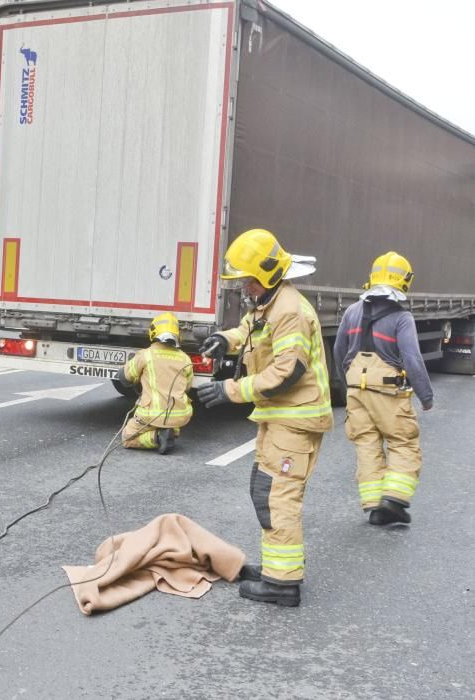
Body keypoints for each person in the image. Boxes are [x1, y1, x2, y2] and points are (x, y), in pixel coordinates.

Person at [197, 229, 332, 607]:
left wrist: (230, 391)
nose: (244, 286)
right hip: (281, 419)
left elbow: (287, 372)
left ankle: (282, 585)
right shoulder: (270, 303)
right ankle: (278, 570)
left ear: (268, 275)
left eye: (248, 279)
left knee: (277, 497)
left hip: (295, 420)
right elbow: (250, 330)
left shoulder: (290, 311)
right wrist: (226, 339)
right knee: (267, 491)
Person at [333, 252, 432, 526]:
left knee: (366, 444)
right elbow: (412, 358)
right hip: (388, 390)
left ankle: (375, 507)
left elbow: (339, 350)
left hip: (356, 389)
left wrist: (347, 384)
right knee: (402, 442)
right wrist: (426, 396)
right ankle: (394, 500)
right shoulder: (402, 317)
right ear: (405, 281)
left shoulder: (352, 311)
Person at [117, 312, 194, 454]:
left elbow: (125, 377)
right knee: (167, 421)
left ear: (153, 332)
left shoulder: (146, 355)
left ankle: (157, 437)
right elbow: (187, 387)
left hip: (150, 415)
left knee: (126, 438)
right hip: (180, 415)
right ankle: (170, 431)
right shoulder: (185, 358)